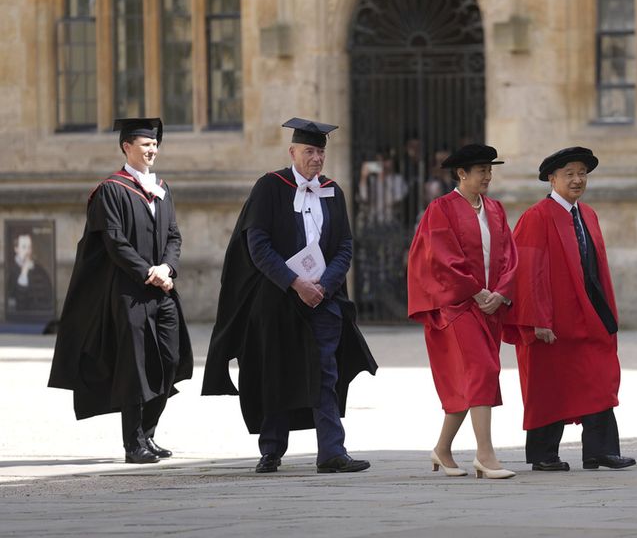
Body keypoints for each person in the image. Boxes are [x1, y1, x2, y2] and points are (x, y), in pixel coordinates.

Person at [202, 118, 378, 474]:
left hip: (324, 299)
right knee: (275, 371)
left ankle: (331, 451)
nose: (317, 158)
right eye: (310, 151)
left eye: (321, 152)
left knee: (326, 373)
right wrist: (296, 283)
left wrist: (324, 286)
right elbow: (257, 244)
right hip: (278, 299)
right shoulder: (270, 187)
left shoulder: (333, 191)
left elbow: (344, 245)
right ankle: (271, 450)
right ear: (293, 152)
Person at [48, 117, 193, 464]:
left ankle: (150, 431)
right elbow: (115, 242)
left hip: (163, 289)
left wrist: (167, 268)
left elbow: (173, 235)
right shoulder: (111, 190)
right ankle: (133, 443)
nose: (152, 150)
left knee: (170, 359)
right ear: (127, 146)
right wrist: (148, 272)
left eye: (155, 144)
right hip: (128, 293)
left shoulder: (162, 189)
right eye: (146, 144)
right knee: (135, 366)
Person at [504, 147, 635, 472]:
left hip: (588, 314)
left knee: (598, 377)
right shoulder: (537, 216)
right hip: (553, 321)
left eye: (582, 173)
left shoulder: (587, 214)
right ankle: (543, 454)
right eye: (570, 174)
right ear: (552, 178)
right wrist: (537, 320)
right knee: (548, 384)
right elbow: (528, 273)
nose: (578, 180)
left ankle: (599, 451)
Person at [407, 144, 518, 479]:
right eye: (481, 170)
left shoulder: (496, 210)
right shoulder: (440, 210)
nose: (487, 176)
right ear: (461, 174)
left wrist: (500, 294)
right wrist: (477, 290)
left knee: (469, 380)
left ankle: (442, 450)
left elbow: (510, 257)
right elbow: (440, 258)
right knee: (483, 369)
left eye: (489, 170)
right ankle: (485, 455)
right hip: (456, 306)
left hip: (489, 308)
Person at [7, 233, 53, 315]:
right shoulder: (11, 271)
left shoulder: (40, 269)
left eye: (29, 247)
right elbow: (15, 304)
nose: (28, 251)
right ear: (16, 249)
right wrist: (24, 273)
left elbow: (49, 296)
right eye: (24, 247)